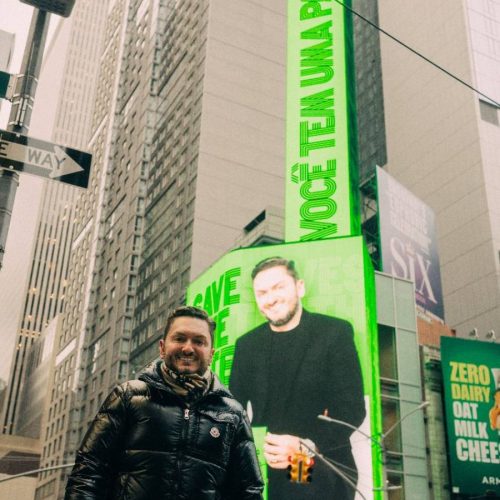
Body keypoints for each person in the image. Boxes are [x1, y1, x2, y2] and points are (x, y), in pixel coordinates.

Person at [65, 306, 264, 500]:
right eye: (179, 338)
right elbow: (88, 472)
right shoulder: (127, 397)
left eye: (199, 341)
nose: (188, 348)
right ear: (162, 348)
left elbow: (249, 491)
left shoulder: (233, 415)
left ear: (211, 353)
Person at [229, 257, 366, 500]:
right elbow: (233, 412)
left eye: (278, 287)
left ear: (299, 287)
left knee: (301, 490)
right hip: (264, 468)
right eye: (261, 293)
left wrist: (306, 445)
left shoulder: (333, 333)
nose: (270, 299)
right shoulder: (247, 346)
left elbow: (351, 408)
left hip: (315, 459)